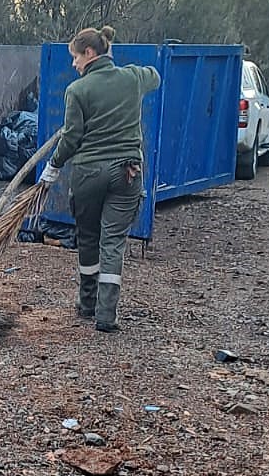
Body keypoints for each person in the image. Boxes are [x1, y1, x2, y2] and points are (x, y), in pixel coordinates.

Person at [39, 26, 160, 333]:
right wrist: (121, 68)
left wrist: (53, 166)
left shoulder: (78, 91)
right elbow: (155, 76)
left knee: (89, 238)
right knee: (113, 243)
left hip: (88, 174)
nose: (74, 64)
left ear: (90, 53)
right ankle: (106, 316)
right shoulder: (132, 78)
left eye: (76, 57)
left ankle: (87, 303)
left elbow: (71, 138)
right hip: (126, 173)